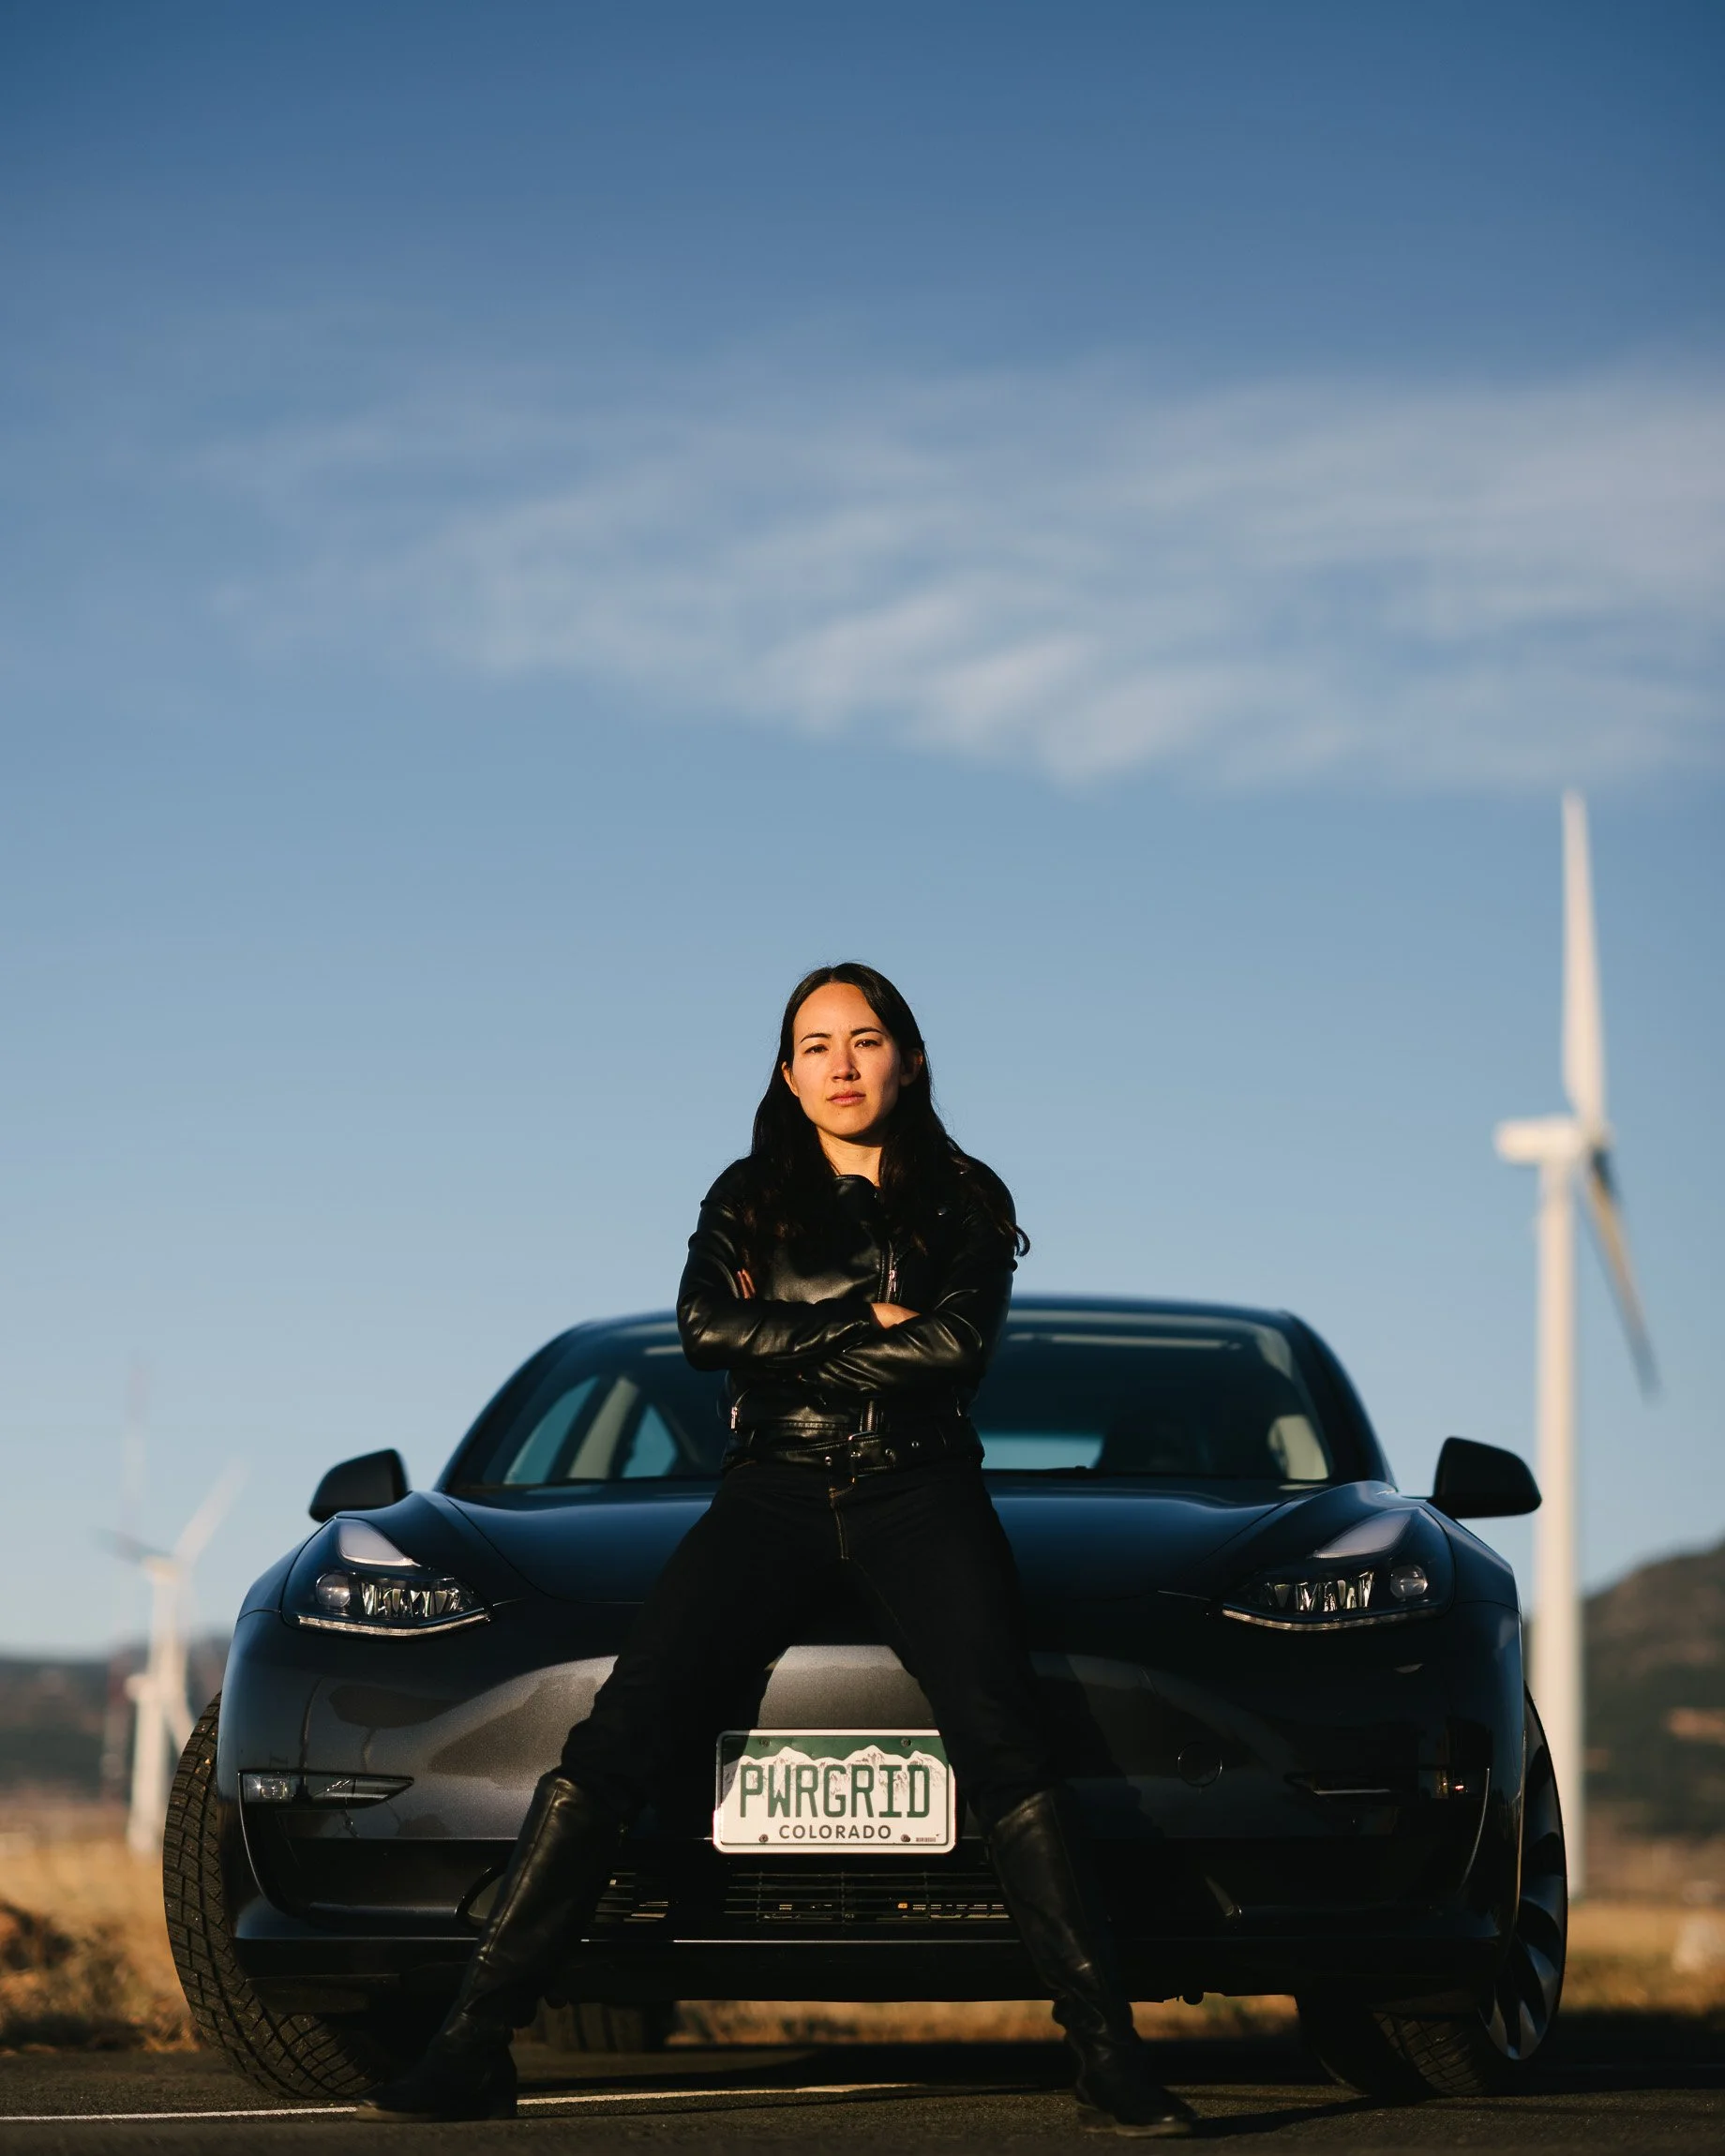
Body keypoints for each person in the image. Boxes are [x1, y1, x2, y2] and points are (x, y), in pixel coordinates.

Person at [360, 963, 1195, 2136]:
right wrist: (869, 1323)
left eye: (863, 1040)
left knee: (1009, 1746)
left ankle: (1109, 2056)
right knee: (619, 1736)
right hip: (772, 1492)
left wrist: (791, 1339)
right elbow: (705, 1328)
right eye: (814, 1044)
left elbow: (955, 1349)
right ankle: (470, 2042)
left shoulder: (965, 1194)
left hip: (922, 1492)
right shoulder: (748, 1193)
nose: (840, 1065)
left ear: (907, 1056)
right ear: (786, 1069)